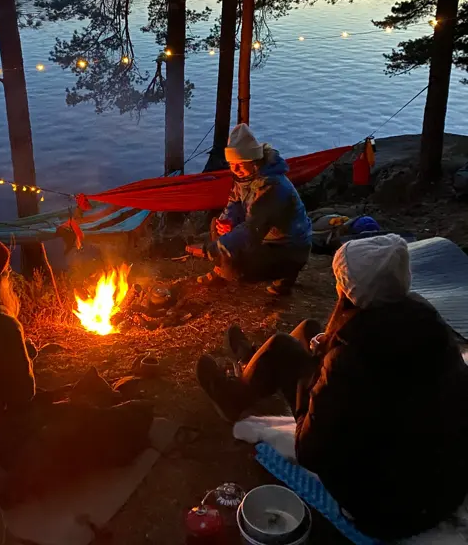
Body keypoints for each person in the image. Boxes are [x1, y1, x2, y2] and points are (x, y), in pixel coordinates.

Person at [196, 234, 468, 540]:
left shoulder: (351, 358)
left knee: (283, 346)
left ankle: (235, 395)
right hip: (443, 487)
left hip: (386, 507)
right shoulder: (428, 325)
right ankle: (257, 364)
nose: (336, 286)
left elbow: (312, 451)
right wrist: (329, 349)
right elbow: (383, 388)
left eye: (340, 279)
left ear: (351, 289)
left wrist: (326, 369)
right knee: (311, 330)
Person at [0, 239, 153, 504]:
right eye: (6, 273)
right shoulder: (0, 321)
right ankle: (133, 417)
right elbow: (22, 397)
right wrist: (26, 357)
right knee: (82, 429)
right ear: (0, 278)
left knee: (67, 404)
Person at [194, 123, 312, 295]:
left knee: (235, 270)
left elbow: (252, 229)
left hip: (287, 247)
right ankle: (221, 270)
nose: (234, 169)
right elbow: (234, 202)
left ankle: (286, 274)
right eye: (231, 164)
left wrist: (219, 247)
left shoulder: (271, 186)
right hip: (263, 236)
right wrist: (229, 222)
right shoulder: (245, 177)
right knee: (217, 225)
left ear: (254, 161)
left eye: (240, 164)